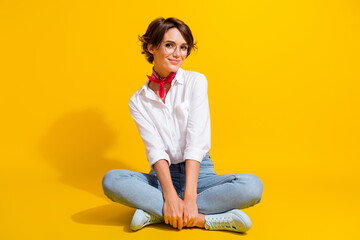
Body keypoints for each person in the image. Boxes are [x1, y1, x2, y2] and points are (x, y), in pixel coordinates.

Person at [102, 17, 263, 233]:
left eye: (183, 47)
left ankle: (158, 212)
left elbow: (196, 141)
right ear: (152, 47)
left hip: (200, 174)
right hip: (162, 178)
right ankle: (202, 218)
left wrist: (190, 198)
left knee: (252, 186)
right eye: (170, 45)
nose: (178, 54)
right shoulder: (137, 101)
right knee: (112, 180)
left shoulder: (196, 81)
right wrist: (169, 195)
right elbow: (155, 149)